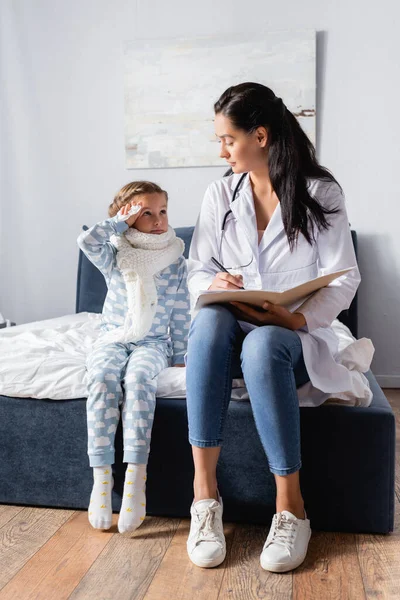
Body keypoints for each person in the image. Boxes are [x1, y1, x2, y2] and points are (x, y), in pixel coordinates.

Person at [185, 82, 363, 572]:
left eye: (227, 139)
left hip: (294, 333)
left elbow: (345, 277)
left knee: (264, 346)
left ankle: (291, 510)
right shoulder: (221, 192)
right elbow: (196, 269)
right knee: (207, 326)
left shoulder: (320, 192)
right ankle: (205, 499)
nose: (220, 150)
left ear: (260, 135)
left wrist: (298, 317)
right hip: (233, 323)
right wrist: (214, 279)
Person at [77, 181, 190, 534]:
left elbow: (181, 311)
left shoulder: (175, 259)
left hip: (153, 343)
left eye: (162, 211)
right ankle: (101, 480)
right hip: (114, 337)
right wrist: (118, 224)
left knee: (139, 380)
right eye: (146, 213)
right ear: (127, 217)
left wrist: (183, 353)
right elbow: (86, 241)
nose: (158, 220)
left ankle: (135, 481)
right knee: (101, 378)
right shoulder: (114, 252)